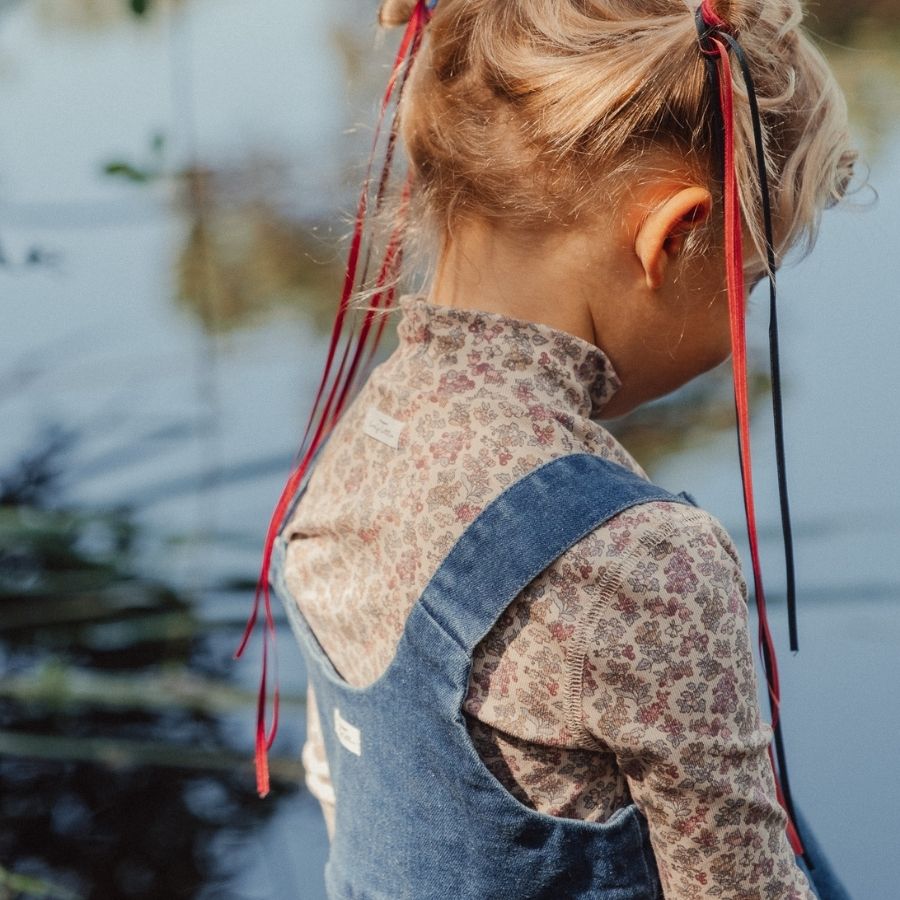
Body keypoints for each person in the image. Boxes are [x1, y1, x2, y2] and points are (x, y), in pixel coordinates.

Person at [248, 0, 859, 896]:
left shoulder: (358, 439)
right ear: (674, 235)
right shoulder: (643, 562)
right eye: (750, 278)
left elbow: (334, 778)